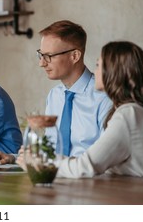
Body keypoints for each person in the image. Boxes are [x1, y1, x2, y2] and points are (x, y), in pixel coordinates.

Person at [0, 41, 143, 179]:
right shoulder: (135, 111)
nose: (95, 70)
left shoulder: (128, 115)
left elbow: (85, 166)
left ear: (115, 72)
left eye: (99, 65)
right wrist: (18, 159)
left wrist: (38, 163)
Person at [36, 20, 112, 157]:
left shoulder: (104, 97)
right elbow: (49, 150)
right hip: (54, 175)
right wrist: (13, 158)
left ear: (75, 56)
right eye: (41, 55)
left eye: (49, 56)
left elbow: (107, 156)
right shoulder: (54, 96)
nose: (41, 63)